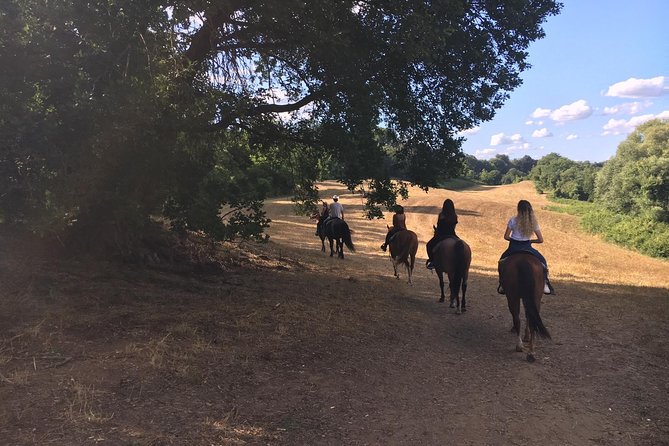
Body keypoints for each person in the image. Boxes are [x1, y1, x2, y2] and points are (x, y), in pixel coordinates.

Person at [497, 200, 555, 295]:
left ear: (518, 209)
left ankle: (502, 284)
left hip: (513, 247)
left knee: (501, 261)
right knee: (543, 261)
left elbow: (506, 237)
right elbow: (540, 239)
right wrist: (530, 241)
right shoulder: (533, 223)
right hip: (527, 247)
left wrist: (515, 240)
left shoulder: (512, 220)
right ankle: (545, 283)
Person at [425, 199, 458, 269]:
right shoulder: (454, 216)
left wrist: (437, 231)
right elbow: (454, 227)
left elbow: (439, 226)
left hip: (442, 235)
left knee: (429, 245)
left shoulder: (441, 215)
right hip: (452, 234)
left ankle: (432, 261)